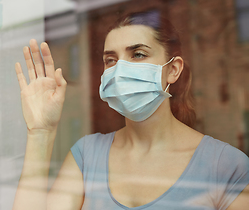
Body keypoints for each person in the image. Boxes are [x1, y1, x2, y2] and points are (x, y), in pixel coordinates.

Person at [13, 13, 249, 210]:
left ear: (173, 70)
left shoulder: (227, 166)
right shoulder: (86, 155)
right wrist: (40, 132)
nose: (121, 69)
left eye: (138, 54)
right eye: (111, 60)